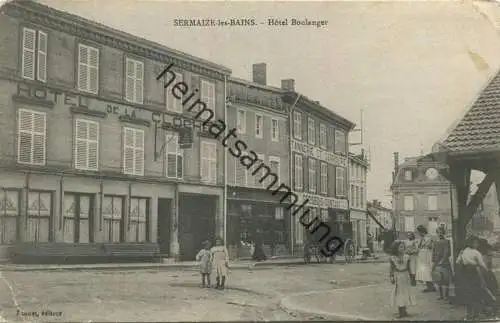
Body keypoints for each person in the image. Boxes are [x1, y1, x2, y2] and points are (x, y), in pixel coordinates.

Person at [456, 236, 492, 320]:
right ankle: (476, 313)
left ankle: (469, 314)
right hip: (474, 272)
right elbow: (481, 264)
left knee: (468, 292)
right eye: (476, 243)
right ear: (472, 243)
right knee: (476, 292)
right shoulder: (476, 252)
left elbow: (457, 262)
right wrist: (487, 271)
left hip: (465, 272)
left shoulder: (463, 251)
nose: (477, 244)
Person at [389, 240, 416, 318]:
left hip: (405, 275)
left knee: (406, 292)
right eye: (400, 247)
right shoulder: (393, 258)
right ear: (396, 248)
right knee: (398, 293)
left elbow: (409, 267)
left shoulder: (407, 257)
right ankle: (400, 310)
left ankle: (404, 310)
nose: (402, 248)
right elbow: (391, 268)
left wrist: (412, 277)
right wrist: (391, 276)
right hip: (398, 276)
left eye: (403, 247)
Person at [432, 227, 451, 300]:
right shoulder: (435, 242)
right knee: (438, 278)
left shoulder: (447, 241)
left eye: (441, 232)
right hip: (437, 262)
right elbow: (433, 252)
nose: (440, 234)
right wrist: (434, 261)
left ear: (443, 233)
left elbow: (447, 252)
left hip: (444, 262)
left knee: (446, 279)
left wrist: (442, 260)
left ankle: (446, 295)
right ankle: (440, 295)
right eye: (438, 232)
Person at [416, 225, 436, 292]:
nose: (418, 234)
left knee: (427, 270)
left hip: (426, 255)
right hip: (422, 255)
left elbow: (431, 247)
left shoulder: (428, 238)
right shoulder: (422, 238)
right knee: (424, 270)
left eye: (419, 232)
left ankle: (431, 286)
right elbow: (419, 247)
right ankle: (429, 286)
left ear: (422, 231)